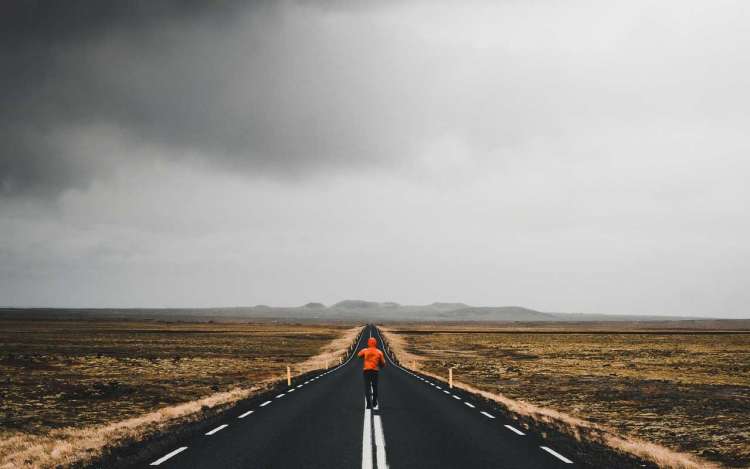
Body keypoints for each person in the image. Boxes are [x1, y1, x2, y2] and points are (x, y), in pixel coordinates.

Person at [358, 336, 386, 409]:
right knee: (375, 387)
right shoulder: (379, 352)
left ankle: (368, 404)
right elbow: (383, 363)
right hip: (375, 371)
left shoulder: (365, 350)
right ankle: (374, 402)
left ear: (368, 343)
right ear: (375, 343)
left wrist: (364, 355)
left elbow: (358, 355)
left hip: (366, 371)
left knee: (367, 388)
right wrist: (380, 366)